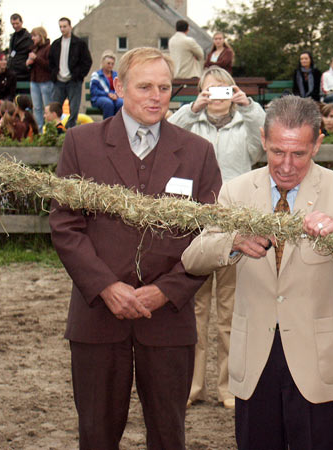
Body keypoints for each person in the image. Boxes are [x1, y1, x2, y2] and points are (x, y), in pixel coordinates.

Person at [181, 95, 333, 450]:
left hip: (317, 364)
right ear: (263, 139)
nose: (287, 165)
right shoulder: (236, 191)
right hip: (253, 363)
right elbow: (192, 259)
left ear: (318, 144)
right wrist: (233, 240)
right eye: (277, 151)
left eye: (299, 154)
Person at [48, 47, 222, 449]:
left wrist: (167, 290)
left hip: (168, 320)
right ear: (119, 86)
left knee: (168, 434)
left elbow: (210, 236)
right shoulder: (81, 143)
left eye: (164, 87)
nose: (156, 96)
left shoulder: (197, 153)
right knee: (97, 433)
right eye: (144, 87)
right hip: (98, 316)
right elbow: (65, 225)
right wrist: (107, 287)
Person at [168, 65, 265, 410]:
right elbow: (166, 134)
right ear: (201, 93)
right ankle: (192, 387)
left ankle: (227, 387)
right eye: (210, 90)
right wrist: (190, 108)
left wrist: (249, 106)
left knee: (230, 313)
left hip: (234, 228)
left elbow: (265, 137)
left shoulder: (246, 127)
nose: (218, 97)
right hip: (196, 228)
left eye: (224, 89)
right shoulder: (189, 126)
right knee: (195, 312)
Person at [49, 17, 92, 129]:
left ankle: (70, 131)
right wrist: (54, 74)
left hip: (73, 81)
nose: (62, 29)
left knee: (74, 108)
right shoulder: (56, 44)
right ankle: (54, 131)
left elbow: (87, 61)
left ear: (70, 27)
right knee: (55, 108)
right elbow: (51, 62)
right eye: (60, 27)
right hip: (59, 81)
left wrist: (78, 75)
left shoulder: (79, 44)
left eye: (64, 26)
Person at [26, 26, 53, 131]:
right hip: (34, 81)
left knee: (47, 107)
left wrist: (36, 58)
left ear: (41, 36)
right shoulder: (34, 48)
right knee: (36, 108)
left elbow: (49, 66)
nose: (32, 38)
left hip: (45, 81)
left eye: (34, 36)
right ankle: (38, 130)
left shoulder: (48, 48)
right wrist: (28, 63)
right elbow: (32, 64)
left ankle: (49, 129)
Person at [90, 50, 123, 119]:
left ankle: (118, 125)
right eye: (108, 63)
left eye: (112, 64)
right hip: (99, 98)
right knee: (108, 103)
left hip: (114, 97)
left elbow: (120, 88)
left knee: (121, 102)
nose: (110, 65)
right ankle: (108, 127)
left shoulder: (116, 75)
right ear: (103, 63)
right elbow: (94, 91)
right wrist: (108, 94)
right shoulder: (96, 75)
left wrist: (116, 95)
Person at [8, 13, 33, 82]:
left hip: (24, 74)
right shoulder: (12, 37)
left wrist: (25, 66)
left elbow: (32, 53)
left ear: (21, 22)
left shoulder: (29, 37)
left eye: (17, 23)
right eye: (13, 24)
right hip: (12, 72)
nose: (15, 26)